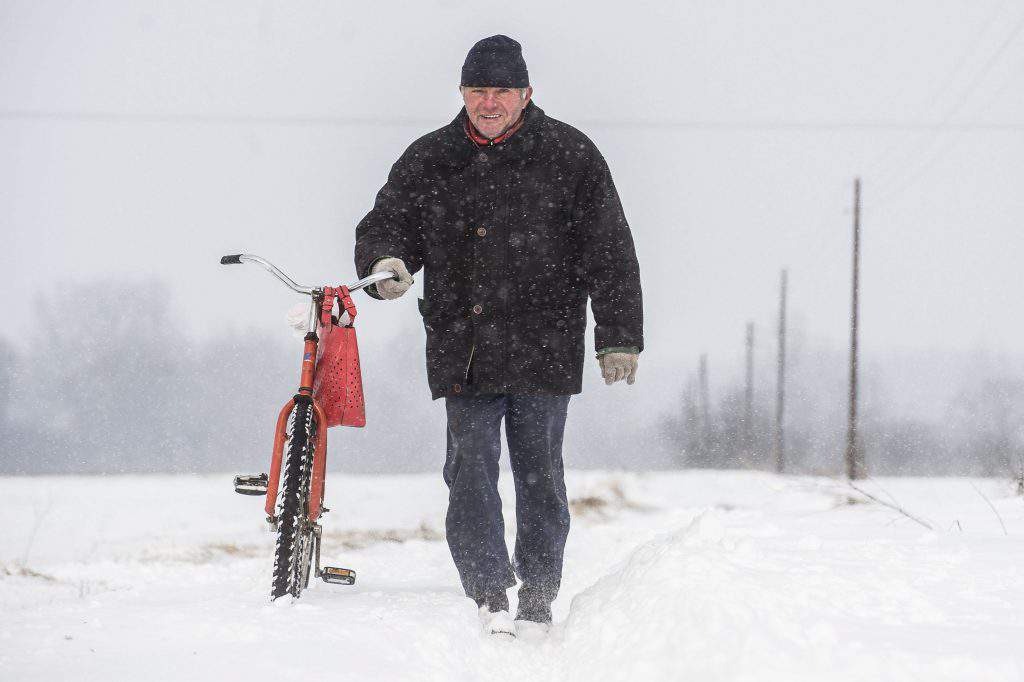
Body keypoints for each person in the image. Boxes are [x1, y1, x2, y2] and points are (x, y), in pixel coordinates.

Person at [354, 35, 643, 637]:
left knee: (539, 471)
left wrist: (618, 335)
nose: (489, 103)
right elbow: (388, 223)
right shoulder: (431, 158)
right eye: (479, 91)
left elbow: (609, 249)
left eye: (502, 91)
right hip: (465, 344)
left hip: (547, 341)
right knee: (471, 467)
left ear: (526, 94)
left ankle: (538, 594)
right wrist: (387, 263)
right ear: (462, 93)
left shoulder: (571, 155)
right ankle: (489, 593)